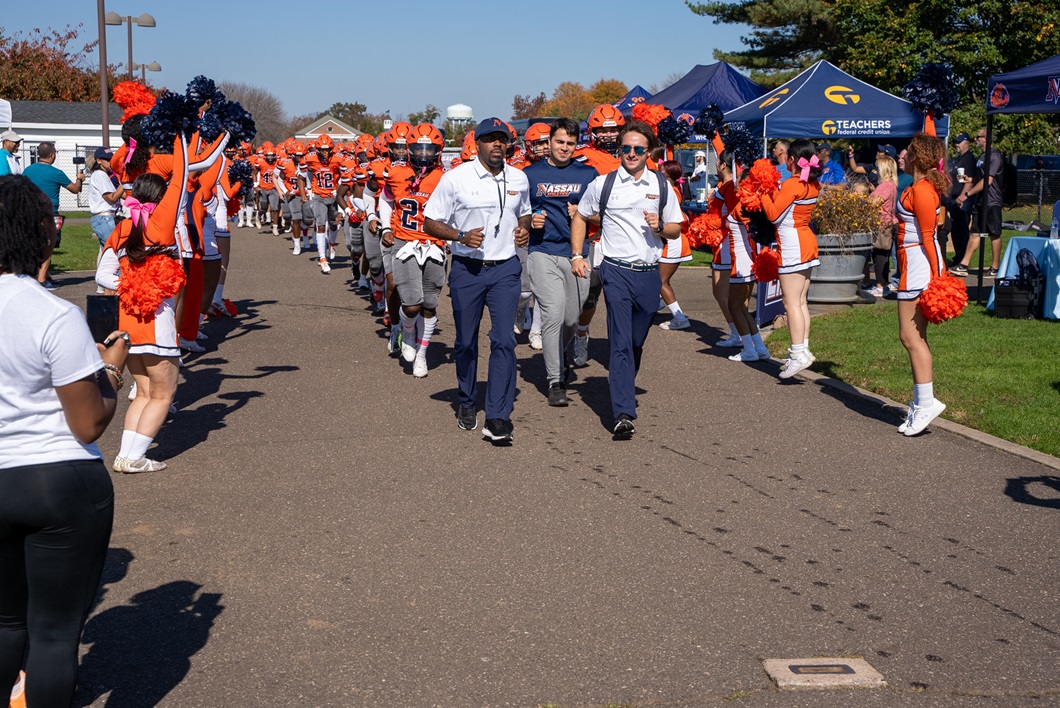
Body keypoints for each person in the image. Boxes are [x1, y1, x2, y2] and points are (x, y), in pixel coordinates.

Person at [1, 172, 128, 708]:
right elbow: (89, 423)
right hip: (56, 477)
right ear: (41, 237)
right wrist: (113, 371)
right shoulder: (52, 313)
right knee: (53, 634)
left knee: (6, 624)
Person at [570, 120, 683, 437]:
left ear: (648, 152)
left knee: (634, 342)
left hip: (649, 274)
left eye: (638, 149)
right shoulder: (603, 184)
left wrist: (659, 225)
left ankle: (624, 377)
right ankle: (622, 412)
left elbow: (676, 227)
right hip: (615, 270)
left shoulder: (661, 185)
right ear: (619, 149)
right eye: (626, 148)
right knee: (619, 342)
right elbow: (580, 215)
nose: (631, 153)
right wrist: (577, 255)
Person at [423, 118, 531, 443]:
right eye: (490, 139)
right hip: (467, 270)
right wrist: (459, 235)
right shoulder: (455, 178)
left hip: (505, 269)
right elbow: (430, 222)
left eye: (503, 139)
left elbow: (523, 210)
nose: (497, 144)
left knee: (504, 341)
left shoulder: (519, 178)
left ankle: (497, 417)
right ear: (478, 142)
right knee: (466, 342)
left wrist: (524, 228)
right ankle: (467, 400)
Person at [95, 133, 192, 472]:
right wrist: (183, 135)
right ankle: (133, 456)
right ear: (161, 200)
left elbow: (103, 274)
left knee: (145, 391)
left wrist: (128, 284)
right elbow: (181, 176)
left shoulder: (121, 228)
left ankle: (127, 456)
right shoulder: (162, 225)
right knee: (163, 394)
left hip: (127, 324)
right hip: (158, 323)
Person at [523, 118, 597, 406]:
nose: (564, 147)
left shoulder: (588, 174)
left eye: (570, 143)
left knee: (570, 318)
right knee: (553, 314)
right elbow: (517, 214)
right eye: (559, 142)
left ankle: (560, 353)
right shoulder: (529, 174)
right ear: (549, 142)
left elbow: (603, 217)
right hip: (542, 251)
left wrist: (584, 214)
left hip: (577, 254)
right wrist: (530, 220)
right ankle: (555, 380)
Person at [378, 123, 447, 378]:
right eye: (419, 148)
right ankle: (407, 331)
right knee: (411, 304)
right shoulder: (396, 172)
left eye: (430, 150)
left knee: (430, 304)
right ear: (409, 148)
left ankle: (421, 354)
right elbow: (385, 199)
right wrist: (385, 228)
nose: (424, 154)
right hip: (404, 241)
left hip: (434, 243)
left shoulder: (445, 177)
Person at [894, 133, 949, 436]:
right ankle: (921, 402)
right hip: (911, 264)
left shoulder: (924, 191)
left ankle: (925, 403)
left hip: (918, 267)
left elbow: (930, 238)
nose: (902, 154)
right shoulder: (917, 187)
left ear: (916, 157)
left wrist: (939, 278)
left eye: (907, 150)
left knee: (910, 336)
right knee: (913, 336)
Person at [760, 138, 822, 378]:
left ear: (793, 159)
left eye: (786, 155)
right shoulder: (812, 184)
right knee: (801, 301)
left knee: (791, 303)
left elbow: (774, 215)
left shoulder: (793, 184)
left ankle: (798, 353)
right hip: (807, 240)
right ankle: (802, 350)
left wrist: (764, 194)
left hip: (793, 245)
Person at [716, 150, 770, 363]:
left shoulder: (742, 207)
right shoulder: (750, 206)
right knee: (742, 307)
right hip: (749, 260)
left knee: (734, 306)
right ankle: (760, 348)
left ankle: (748, 349)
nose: (736, 183)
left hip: (742, 261)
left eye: (741, 180)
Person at [23, 142, 85, 290]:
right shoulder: (56, 172)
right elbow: (75, 189)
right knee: (48, 246)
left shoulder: (27, 170)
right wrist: (80, 178)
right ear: (52, 154)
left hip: (30, 213)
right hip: (49, 213)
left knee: (36, 245)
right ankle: (42, 280)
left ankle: (43, 275)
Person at [953, 128, 1003, 277]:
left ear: (986, 139)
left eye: (978, 137)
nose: (976, 139)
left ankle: (995, 267)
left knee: (994, 234)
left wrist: (968, 193)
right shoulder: (982, 156)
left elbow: (988, 180)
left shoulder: (995, 156)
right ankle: (964, 264)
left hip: (992, 202)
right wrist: (971, 180)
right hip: (981, 201)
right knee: (974, 232)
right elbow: (981, 178)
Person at [658, 160, 693, 330]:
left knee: (661, 282)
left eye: (661, 169)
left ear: (667, 174)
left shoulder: (670, 190)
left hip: (673, 242)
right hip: (669, 240)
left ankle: (679, 318)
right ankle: (654, 303)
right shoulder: (671, 189)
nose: (658, 170)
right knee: (657, 280)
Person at [865, 155, 898, 297]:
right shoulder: (891, 185)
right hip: (887, 224)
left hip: (882, 226)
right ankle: (882, 284)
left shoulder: (885, 186)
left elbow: (873, 203)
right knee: (882, 256)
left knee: (879, 256)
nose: (875, 171)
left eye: (878, 168)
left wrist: (866, 197)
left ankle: (880, 285)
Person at [946, 132, 977, 268]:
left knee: (961, 230)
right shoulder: (961, 158)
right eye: (955, 142)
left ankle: (961, 260)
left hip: (962, 200)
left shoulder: (969, 159)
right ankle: (958, 258)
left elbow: (969, 180)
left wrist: (964, 196)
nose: (956, 145)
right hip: (954, 198)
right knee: (956, 230)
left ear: (966, 143)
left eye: (959, 142)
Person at [87, 148, 124, 249]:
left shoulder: (104, 175)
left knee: (108, 252)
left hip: (106, 219)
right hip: (105, 218)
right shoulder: (100, 175)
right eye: (107, 160)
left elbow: (120, 195)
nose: (110, 162)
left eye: (111, 159)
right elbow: (111, 198)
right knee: (116, 250)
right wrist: (125, 181)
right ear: (99, 161)